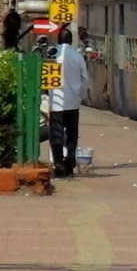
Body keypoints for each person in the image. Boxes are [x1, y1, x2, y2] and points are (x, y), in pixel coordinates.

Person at [49, 27, 89, 178]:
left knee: (56, 134)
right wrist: (81, 96)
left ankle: (58, 163)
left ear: (58, 40)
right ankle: (70, 162)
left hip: (56, 102)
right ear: (71, 41)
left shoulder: (52, 55)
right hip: (73, 102)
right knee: (72, 134)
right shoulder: (77, 56)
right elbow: (85, 78)